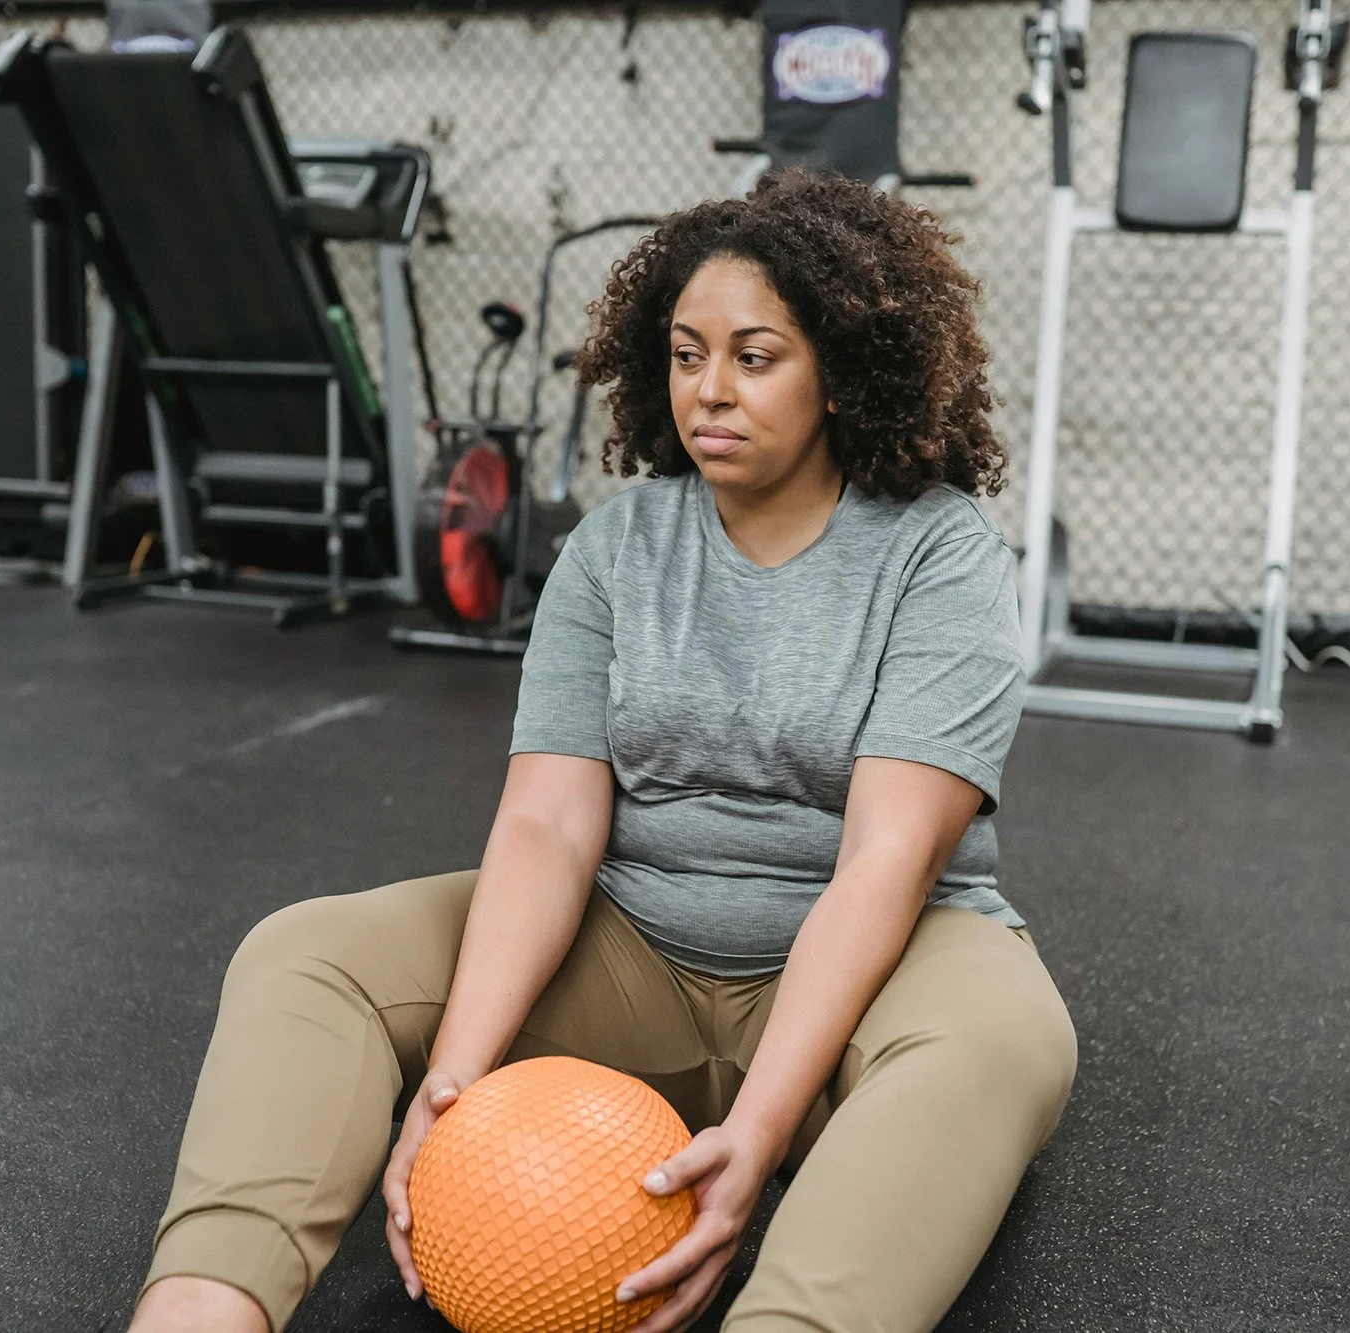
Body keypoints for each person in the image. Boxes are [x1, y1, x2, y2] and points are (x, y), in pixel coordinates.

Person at [128, 170, 1077, 1333]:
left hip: (868, 966)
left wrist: (762, 1131)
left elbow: (888, 857)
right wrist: (453, 1087)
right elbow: (546, 822)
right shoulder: (614, 547)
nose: (709, 391)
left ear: (841, 370)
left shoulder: (939, 553)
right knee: (308, 954)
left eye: (754, 355)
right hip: (633, 956)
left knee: (1005, 1041)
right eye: (685, 354)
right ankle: (200, 1310)